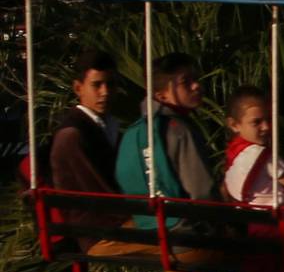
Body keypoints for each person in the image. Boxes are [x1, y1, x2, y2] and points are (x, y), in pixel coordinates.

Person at [116, 52, 222, 202]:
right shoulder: (179, 129)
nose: (196, 85)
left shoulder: (135, 131)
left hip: (148, 221)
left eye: (195, 79)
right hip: (186, 221)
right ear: (161, 96)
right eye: (185, 82)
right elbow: (201, 190)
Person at [221, 87, 284, 212]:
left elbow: (224, 190)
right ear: (234, 125)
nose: (266, 127)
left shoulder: (233, 153)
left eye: (269, 119)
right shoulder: (265, 158)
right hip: (276, 225)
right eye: (256, 122)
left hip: (249, 221)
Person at [35, 49, 120, 194]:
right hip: (88, 214)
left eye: (110, 84)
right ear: (78, 88)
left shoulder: (110, 126)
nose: (105, 92)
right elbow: (96, 190)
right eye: (96, 85)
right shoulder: (71, 135)